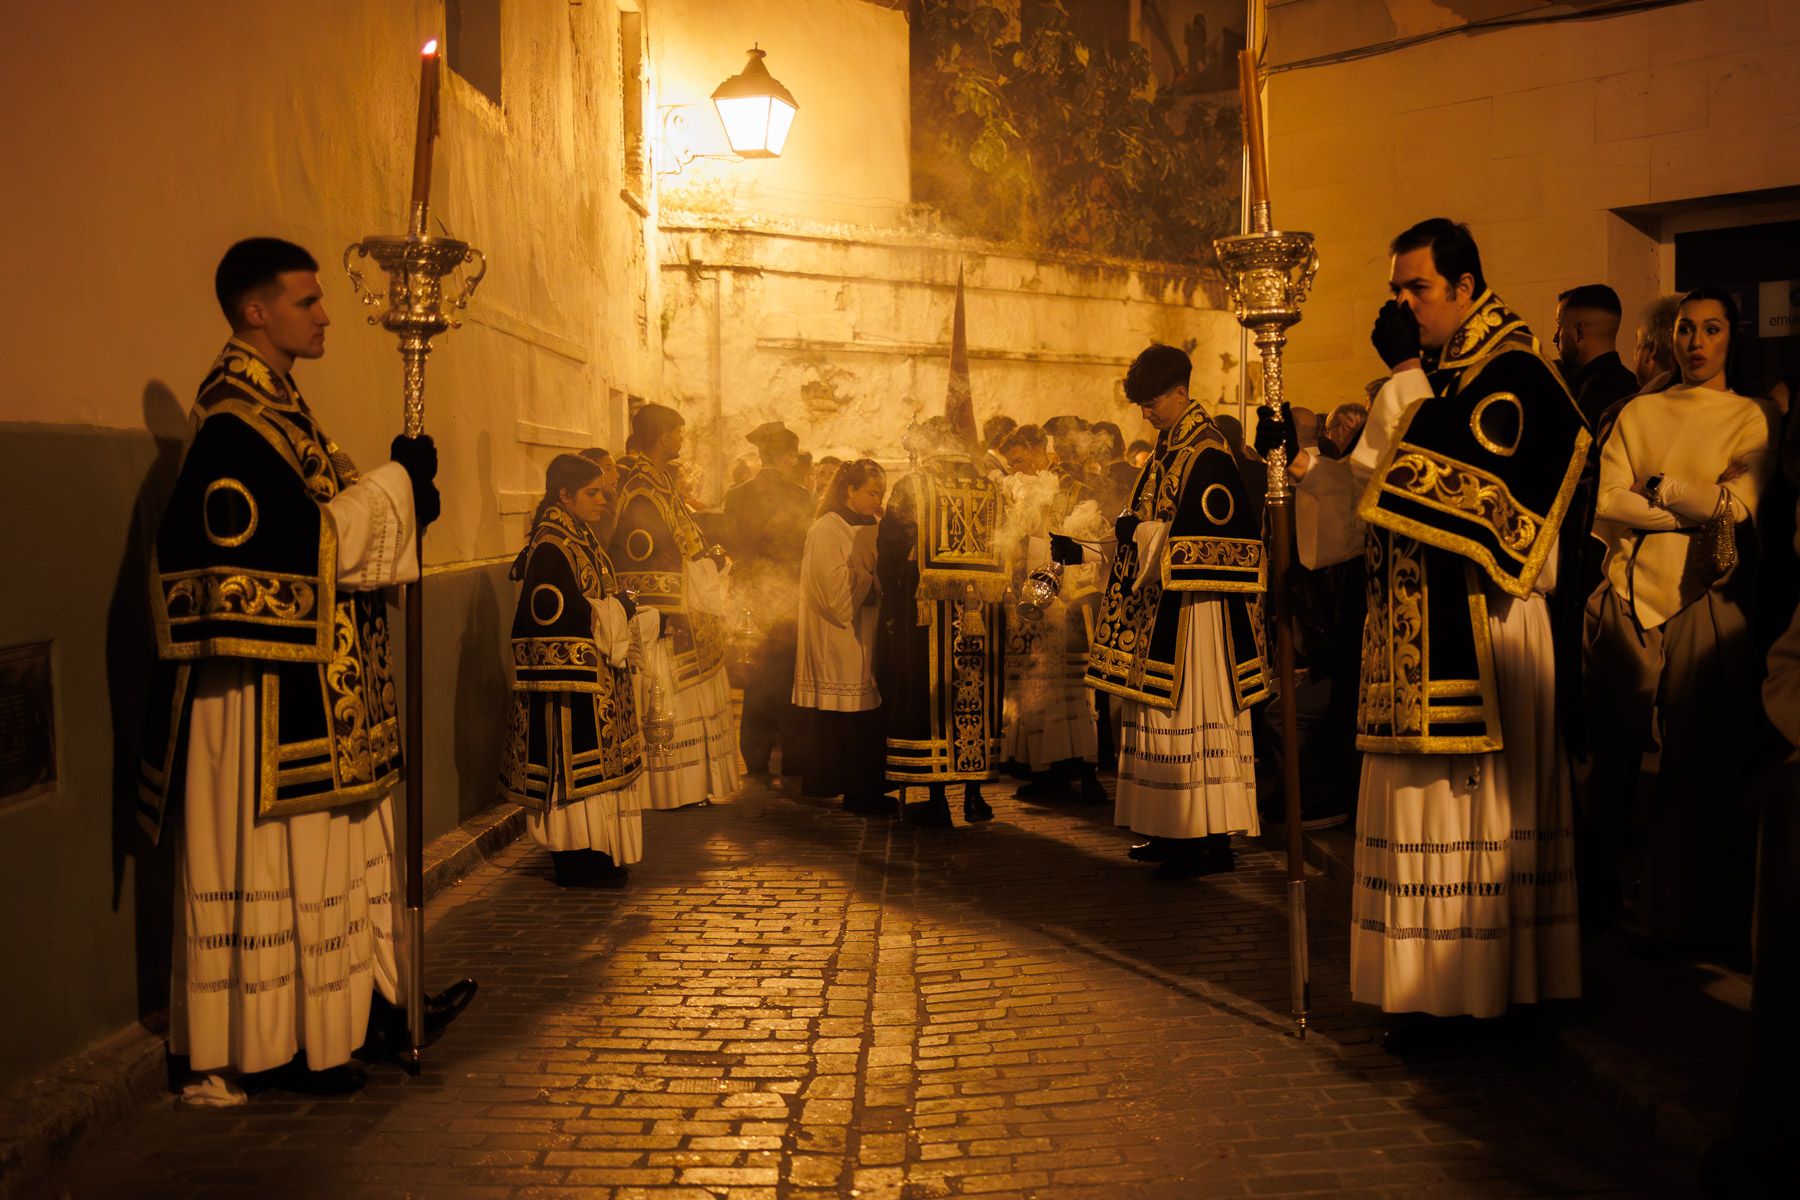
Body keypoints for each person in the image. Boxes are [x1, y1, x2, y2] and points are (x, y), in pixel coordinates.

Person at [139, 237, 472, 1098]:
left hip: (321, 693)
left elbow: (332, 524)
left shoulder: (284, 414)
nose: (325, 316)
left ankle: (363, 1008)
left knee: (341, 860)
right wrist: (396, 488)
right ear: (256, 312)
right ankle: (279, 1039)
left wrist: (403, 495)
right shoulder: (231, 427)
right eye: (307, 302)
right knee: (282, 865)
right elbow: (302, 547)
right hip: (262, 707)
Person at [1287, 218, 1585, 1043]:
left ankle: (1476, 995)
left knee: (1469, 827)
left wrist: (1408, 383)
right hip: (1414, 640)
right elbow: (1370, 505)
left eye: (1417, 288)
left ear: (1465, 287)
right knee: (1418, 820)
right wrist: (1305, 473)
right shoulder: (1439, 379)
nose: (1404, 303)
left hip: (1487, 637)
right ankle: (1426, 991)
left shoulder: (1515, 374)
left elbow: (1468, 504)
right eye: (1396, 290)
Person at [1584, 287, 1773, 947]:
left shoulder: (1750, 418)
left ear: (1730, 338)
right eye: (1687, 329)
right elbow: (1607, 504)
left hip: (1707, 597)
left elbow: (1740, 506)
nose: (1696, 342)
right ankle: (1597, 903)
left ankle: (1680, 919)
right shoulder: (1639, 414)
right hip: (1629, 593)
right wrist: (1692, 501)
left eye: (1711, 329)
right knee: (1608, 757)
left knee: (1697, 768)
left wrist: (1658, 488)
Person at [1082, 344, 1269, 879]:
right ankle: (1171, 831)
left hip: (1197, 619)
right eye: (1140, 403)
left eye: (1151, 400)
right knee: (1159, 723)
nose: (1145, 411)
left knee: (1194, 719)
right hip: (1162, 609)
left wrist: (1135, 533)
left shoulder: (1207, 452)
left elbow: (1215, 540)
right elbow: (1145, 521)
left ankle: (1207, 841)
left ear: (1181, 392)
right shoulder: (1168, 449)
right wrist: (1114, 537)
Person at [502, 454, 656, 888]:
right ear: (564, 495)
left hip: (597, 680)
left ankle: (593, 851)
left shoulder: (579, 535)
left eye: (603, 492)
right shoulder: (553, 545)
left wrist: (621, 608)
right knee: (572, 773)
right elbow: (558, 618)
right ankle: (575, 857)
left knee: (598, 774)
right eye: (593, 493)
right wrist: (618, 609)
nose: (604, 500)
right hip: (571, 688)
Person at [876, 417, 1008, 827]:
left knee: (931, 697)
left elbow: (891, 552)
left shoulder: (912, 485)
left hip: (928, 616)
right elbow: (1010, 543)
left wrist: (894, 602)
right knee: (973, 699)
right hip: (981, 613)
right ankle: (974, 796)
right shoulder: (992, 486)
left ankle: (936, 799)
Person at [609, 404, 740, 809]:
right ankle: (669, 792)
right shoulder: (640, 488)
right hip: (664, 619)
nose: (682, 440)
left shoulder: (660, 483)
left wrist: (707, 559)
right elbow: (644, 558)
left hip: (682, 610)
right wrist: (702, 570)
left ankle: (691, 787)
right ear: (664, 436)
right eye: (680, 433)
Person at [1002, 427, 1106, 804]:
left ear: (1037, 451)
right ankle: (1046, 772)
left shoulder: (1074, 492)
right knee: (1038, 693)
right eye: (1011, 462)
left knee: (1075, 695)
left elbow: (1091, 543)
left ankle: (1081, 772)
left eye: (1019, 459)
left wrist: (1066, 593)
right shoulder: (1025, 493)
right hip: (1036, 612)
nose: (1015, 468)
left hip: (1068, 609)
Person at [793, 460, 891, 813]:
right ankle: (855, 790)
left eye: (881, 493)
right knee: (847, 716)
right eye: (871, 492)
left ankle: (864, 787)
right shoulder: (826, 528)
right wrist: (872, 580)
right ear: (849, 490)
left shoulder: (878, 526)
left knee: (865, 713)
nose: (878, 500)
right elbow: (832, 593)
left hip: (867, 634)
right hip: (838, 636)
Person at [721, 421, 815, 780]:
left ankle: (756, 756)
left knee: (756, 673)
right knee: (790, 673)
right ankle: (792, 755)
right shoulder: (801, 496)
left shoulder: (737, 495)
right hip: (788, 594)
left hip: (751, 594)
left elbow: (734, 545)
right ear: (789, 458)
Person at [1553, 284, 1641, 427]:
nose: (1556, 337)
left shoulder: (1583, 404)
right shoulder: (1635, 389)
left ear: (1578, 332)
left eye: (1561, 326)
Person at [577, 446, 622, 545]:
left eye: (615, 468)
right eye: (608, 469)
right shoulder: (594, 513)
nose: (617, 475)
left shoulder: (613, 504)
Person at [982, 413, 1017, 480]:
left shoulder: (1005, 457)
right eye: (1010, 435)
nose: (1014, 439)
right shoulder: (987, 463)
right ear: (1002, 438)